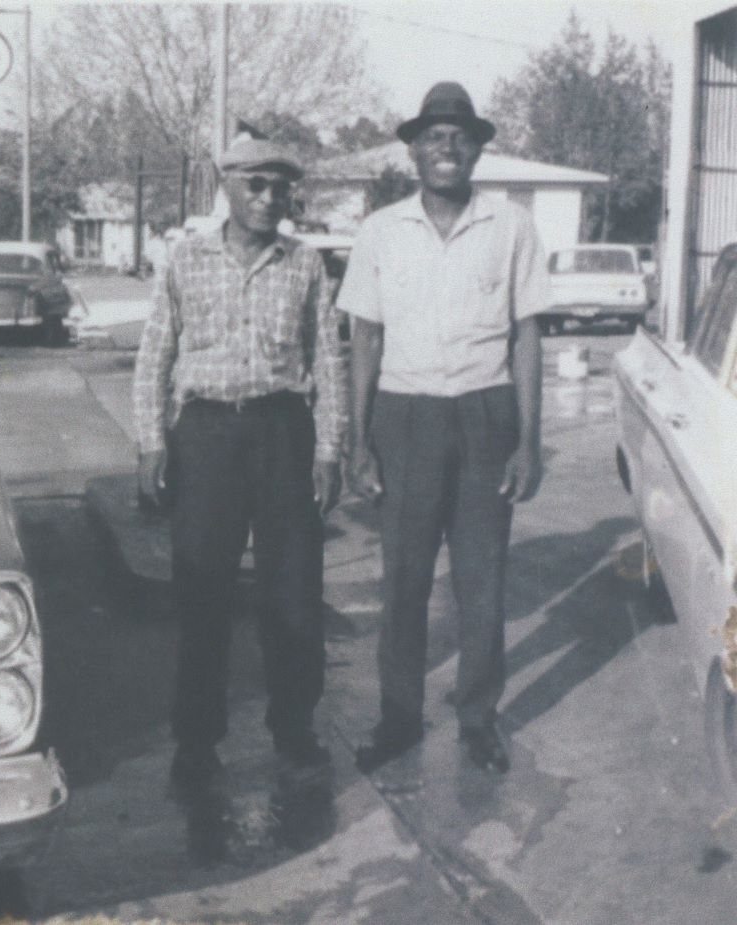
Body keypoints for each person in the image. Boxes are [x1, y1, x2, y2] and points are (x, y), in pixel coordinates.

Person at [338, 82, 549, 775]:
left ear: (479, 146)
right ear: (414, 149)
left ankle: (478, 719)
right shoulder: (380, 230)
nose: (447, 145)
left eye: (459, 134)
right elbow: (364, 337)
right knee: (404, 576)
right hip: (406, 415)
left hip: (487, 412)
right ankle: (398, 717)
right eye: (433, 134)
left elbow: (525, 336)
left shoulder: (511, 224)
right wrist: (358, 439)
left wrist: (526, 440)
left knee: (481, 580)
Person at [132, 137, 349, 790]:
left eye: (280, 187)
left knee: (294, 592)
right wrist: (151, 441)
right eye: (254, 184)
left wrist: (330, 448)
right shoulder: (183, 259)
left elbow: (328, 362)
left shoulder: (305, 264)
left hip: (284, 429)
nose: (268, 198)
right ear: (224, 185)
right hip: (206, 434)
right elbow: (155, 355)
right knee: (204, 592)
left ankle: (294, 728)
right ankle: (198, 740)